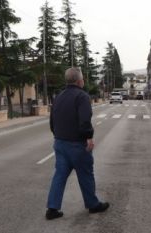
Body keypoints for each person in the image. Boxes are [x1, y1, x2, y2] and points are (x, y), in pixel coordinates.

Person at [46, 68, 110, 220]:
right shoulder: (82, 96)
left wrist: (58, 137)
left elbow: (52, 121)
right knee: (86, 174)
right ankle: (93, 205)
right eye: (83, 79)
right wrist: (88, 137)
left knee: (59, 176)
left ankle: (52, 209)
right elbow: (84, 120)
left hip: (60, 143)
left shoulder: (58, 96)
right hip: (77, 145)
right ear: (79, 81)